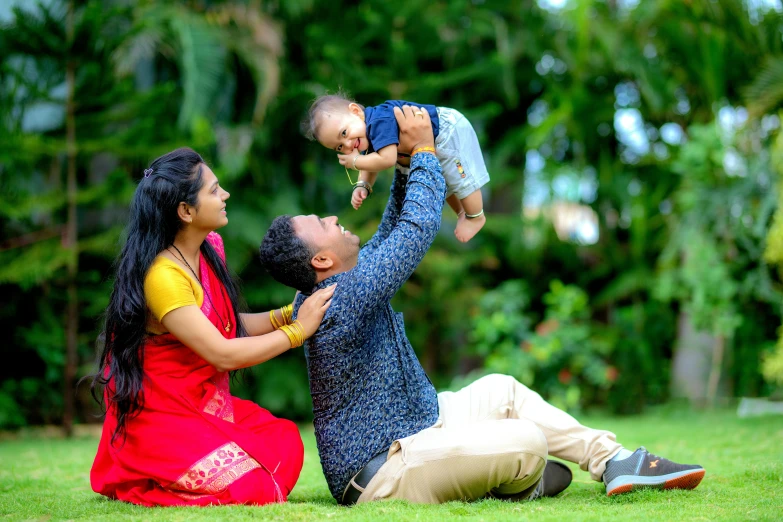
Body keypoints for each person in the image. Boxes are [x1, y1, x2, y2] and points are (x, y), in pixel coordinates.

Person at [259, 106, 705, 505]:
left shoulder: (344, 281)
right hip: (383, 471)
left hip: (419, 427)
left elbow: (395, 222)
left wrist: (406, 157)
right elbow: (414, 230)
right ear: (321, 260)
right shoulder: (346, 296)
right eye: (323, 224)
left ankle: (615, 462)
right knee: (528, 442)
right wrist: (428, 151)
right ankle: (514, 478)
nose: (334, 218)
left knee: (503, 390)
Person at [88, 147, 336, 507]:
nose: (225, 196)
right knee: (254, 487)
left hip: (201, 402)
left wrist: (290, 313)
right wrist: (298, 332)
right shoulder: (163, 277)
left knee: (284, 442)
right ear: (186, 211)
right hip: (163, 411)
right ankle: (147, 474)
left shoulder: (208, 248)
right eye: (214, 190)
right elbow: (221, 352)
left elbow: (228, 327)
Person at [303, 92, 489, 243]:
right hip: (434, 144)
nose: (348, 144)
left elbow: (387, 159)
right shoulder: (366, 134)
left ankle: (476, 217)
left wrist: (354, 162)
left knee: (462, 180)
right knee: (446, 184)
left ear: (356, 112)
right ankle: (462, 213)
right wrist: (363, 185)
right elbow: (371, 163)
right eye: (339, 147)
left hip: (447, 131)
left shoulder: (378, 122)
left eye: (344, 133)